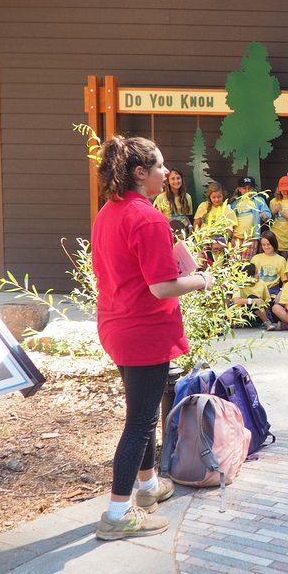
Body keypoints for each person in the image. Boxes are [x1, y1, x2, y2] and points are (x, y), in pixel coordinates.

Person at [91, 136, 214, 540]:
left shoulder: (109, 211)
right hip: (142, 331)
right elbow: (162, 286)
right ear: (140, 173)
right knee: (141, 421)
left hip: (117, 325)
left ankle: (146, 488)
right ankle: (117, 514)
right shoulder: (147, 218)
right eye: (160, 166)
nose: (166, 172)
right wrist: (203, 279)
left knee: (139, 414)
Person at [230, 175, 271, 261]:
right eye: (244, 188)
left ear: (253, 189)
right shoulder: (236, 202)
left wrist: (265, 215)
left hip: (251, 238)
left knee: (246, 263)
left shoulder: (258, 200)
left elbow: (267, 213)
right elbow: (229, 217)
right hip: (236, 237)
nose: (247, 191)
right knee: (234, 262)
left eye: (250, 188)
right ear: (239, 189)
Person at [193, 181, 236, 262]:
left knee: (216, 265)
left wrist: (222, 242)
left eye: (219, 197)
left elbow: (229, 229)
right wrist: (199, 238)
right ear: (209, 197)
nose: (216, 199)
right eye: (214, 197)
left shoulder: (228, 209)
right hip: (203, 239)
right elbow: (196, 224)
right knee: (199, 263)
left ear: (223, 195)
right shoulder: (203, 206)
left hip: (218, 240)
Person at [232, 263, 277, 331]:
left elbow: (267, 301)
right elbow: (236, 301)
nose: (259, 274)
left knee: (254, 298)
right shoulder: (239, 285)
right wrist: (253, 301)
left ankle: (266, 321)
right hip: (245, 314)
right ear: (249, 276)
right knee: (252, 297)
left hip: (259, 315)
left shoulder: (262, 283)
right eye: (256, 273)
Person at [269, 175, 288, 258]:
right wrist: (273, 212)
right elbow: (267, 222)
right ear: (279, 189)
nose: (285, 192)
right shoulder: (273, 201)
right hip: (274, 242)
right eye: (283, 190)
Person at [251, 229, 286, 295]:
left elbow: (285, 281)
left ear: (274, 243)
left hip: (273, 292)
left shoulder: (281, 260)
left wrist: (280, 294)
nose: (266, 247)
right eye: (263, 245)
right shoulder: (255, 258)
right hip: (257, 291)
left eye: (268, 244)